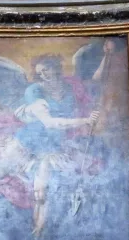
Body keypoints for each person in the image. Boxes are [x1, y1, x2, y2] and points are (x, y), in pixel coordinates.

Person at [13, 54, 99, 237]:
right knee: (40, 192)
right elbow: (50, 123)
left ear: (56, 67)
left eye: (46, 69)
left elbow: (95, 83)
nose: (43, 75)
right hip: (34, 144)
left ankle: (45, 231)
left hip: (59, 144)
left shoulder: (71, 87)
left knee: (61, 189)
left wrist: (107, 55)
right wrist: (85, 120)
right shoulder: (35, 91)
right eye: (40, 72)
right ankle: (38, 232)